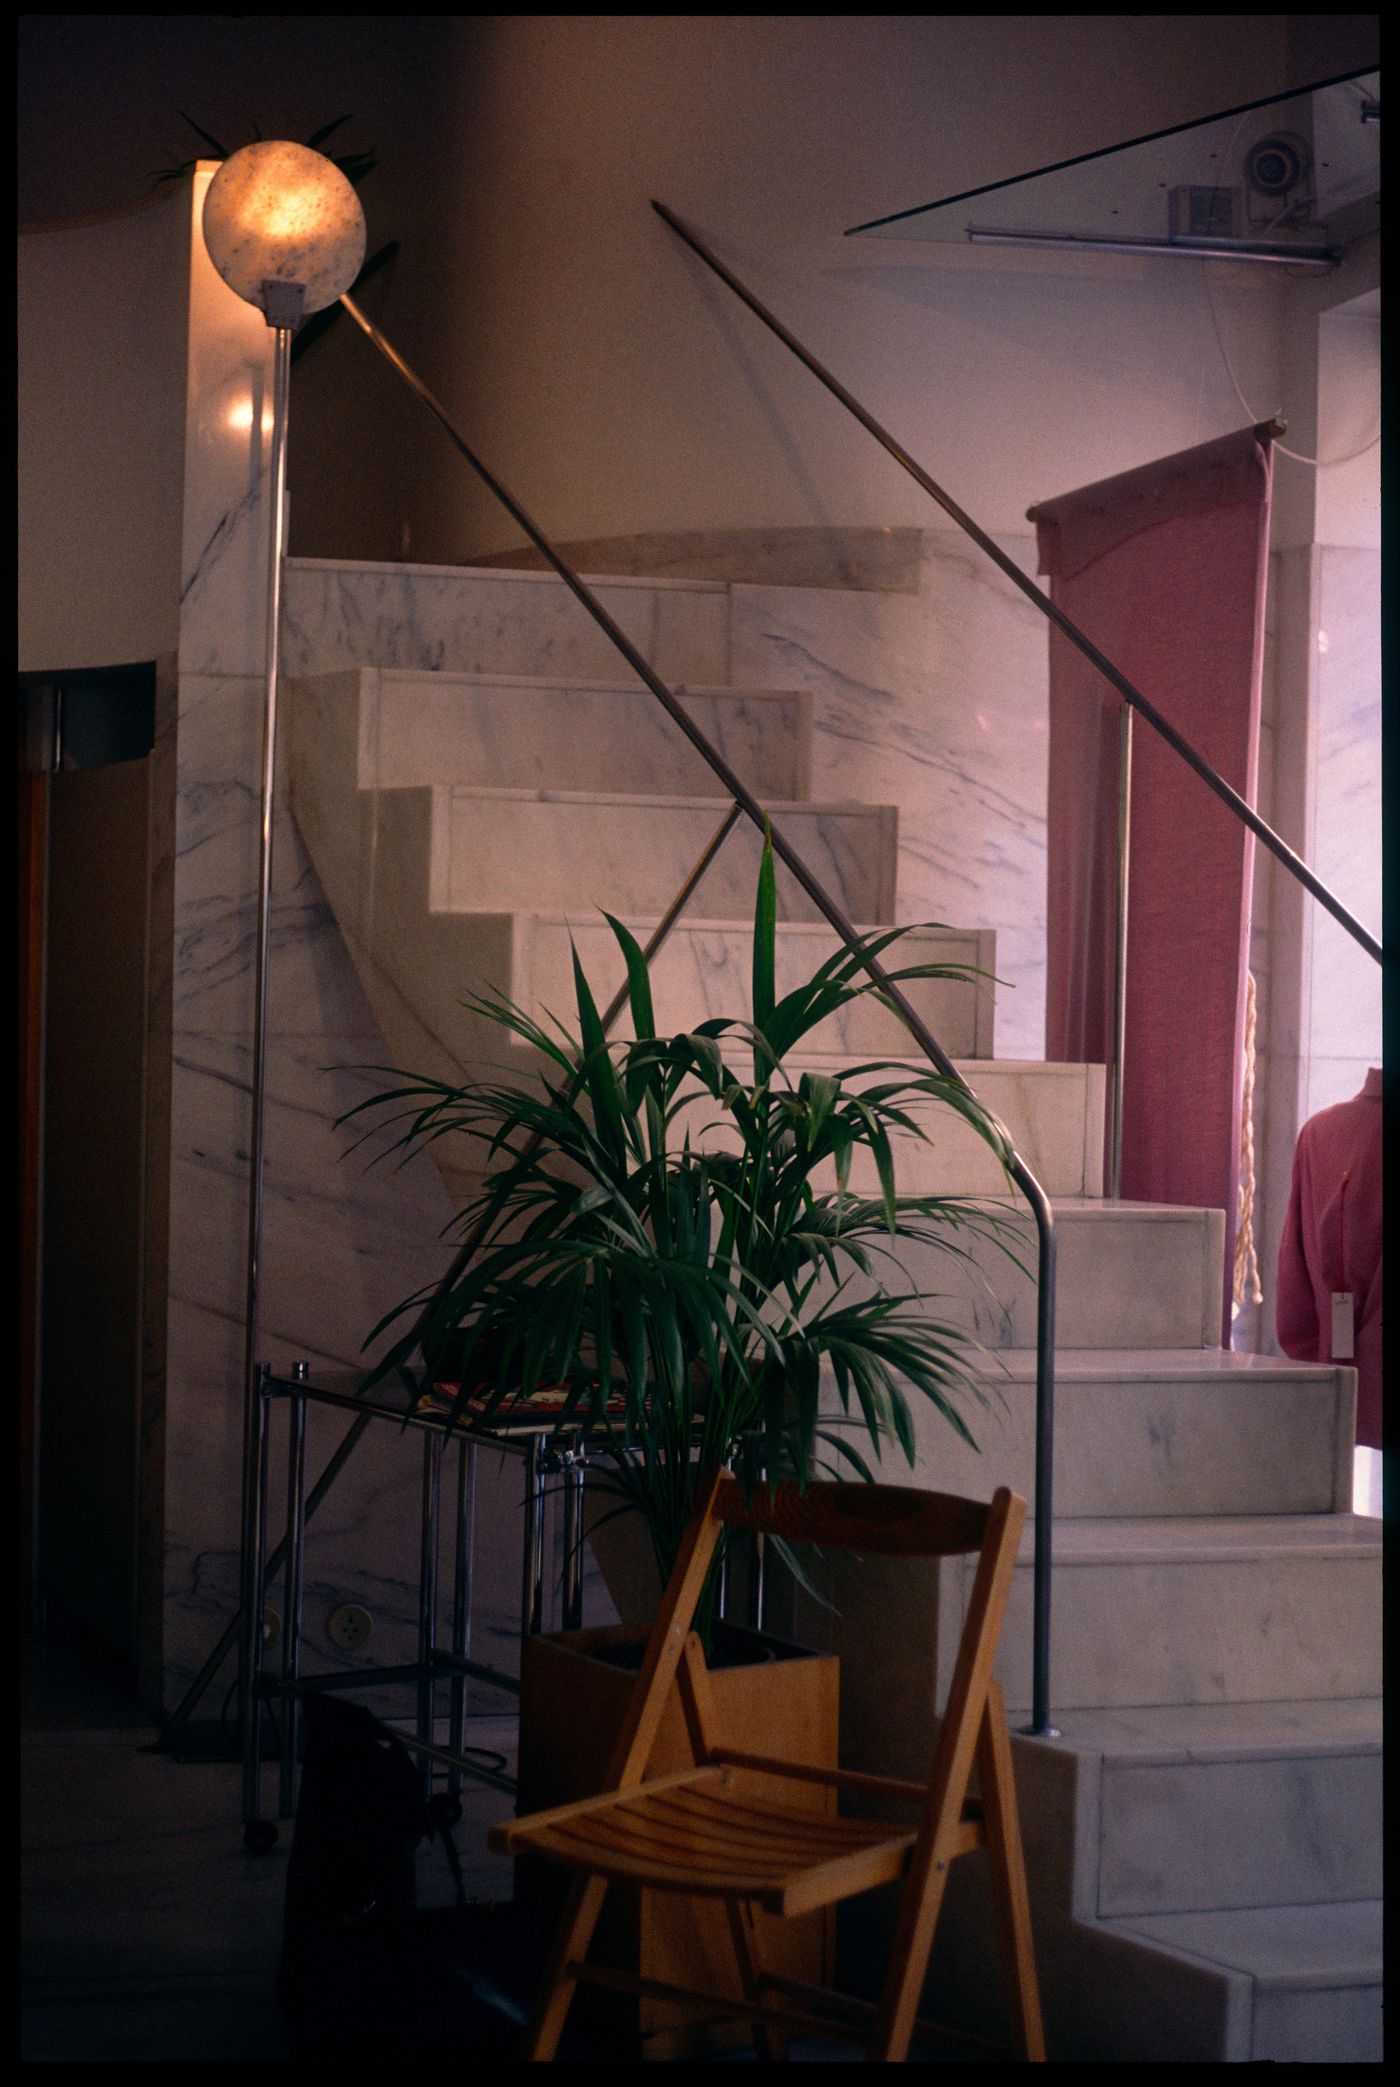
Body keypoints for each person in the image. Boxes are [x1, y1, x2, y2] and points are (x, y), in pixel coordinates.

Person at [1276, 1068, 1382, 1515]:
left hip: (1343, 1373)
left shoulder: (1322, 1132)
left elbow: (1294, 1289)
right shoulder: (1320, 1132)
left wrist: (1321, 1359)